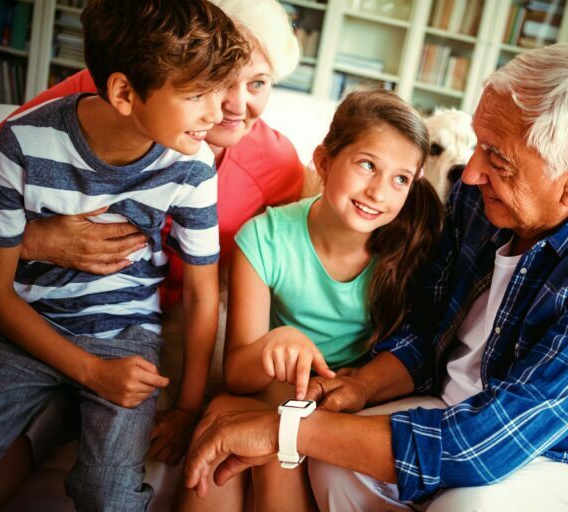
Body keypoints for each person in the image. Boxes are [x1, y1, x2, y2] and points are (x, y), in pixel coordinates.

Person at [183, 43, 568, 512]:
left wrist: (283, 428)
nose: (469, 173)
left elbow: (487, 444)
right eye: (479, 144)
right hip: (462, 406)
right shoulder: (485, 199)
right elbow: (427, 330)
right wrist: (359, 385)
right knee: (333, 461)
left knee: (465, 508)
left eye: (496, 157)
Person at [0, 0, 304, 508]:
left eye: (258, 83)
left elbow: (230, 288)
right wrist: (37, 240)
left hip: (135, 325)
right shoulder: (75, 111)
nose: (230, 105)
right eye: (215, 84)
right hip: (35, 312)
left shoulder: (252, 165)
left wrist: (189, 405)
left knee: (106, 482)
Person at [178, 89, 443, 512]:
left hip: (348, 402)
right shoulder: (263, 238)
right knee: (223, 417)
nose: (378, 192)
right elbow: (237, 376)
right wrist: (273, 343)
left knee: (274, 452)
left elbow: (410, 359)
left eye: (400, 178)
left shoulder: (411, 251)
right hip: (274, 391)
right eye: (367, 165)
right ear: (323, 161)